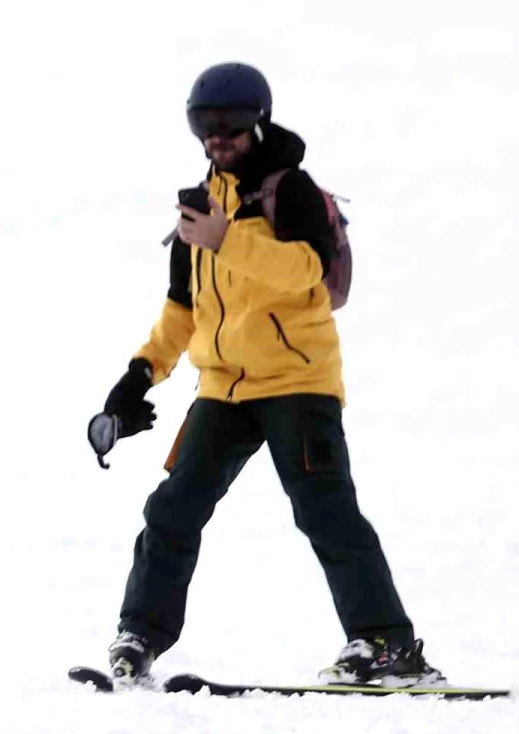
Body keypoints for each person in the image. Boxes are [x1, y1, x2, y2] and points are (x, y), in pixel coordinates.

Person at [95, 62, 443, 687]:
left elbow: (304, 271)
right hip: (223, 389)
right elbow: (183, 310)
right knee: (173, 507)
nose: (217, 137)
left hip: (297, 382)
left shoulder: (289, 192)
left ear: (257, 120)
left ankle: (388, 645)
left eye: (229, 124)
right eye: (205, 125)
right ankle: (138, 637)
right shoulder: (198, 211)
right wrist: (137, 378)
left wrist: (228, 238)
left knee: (324, 509)